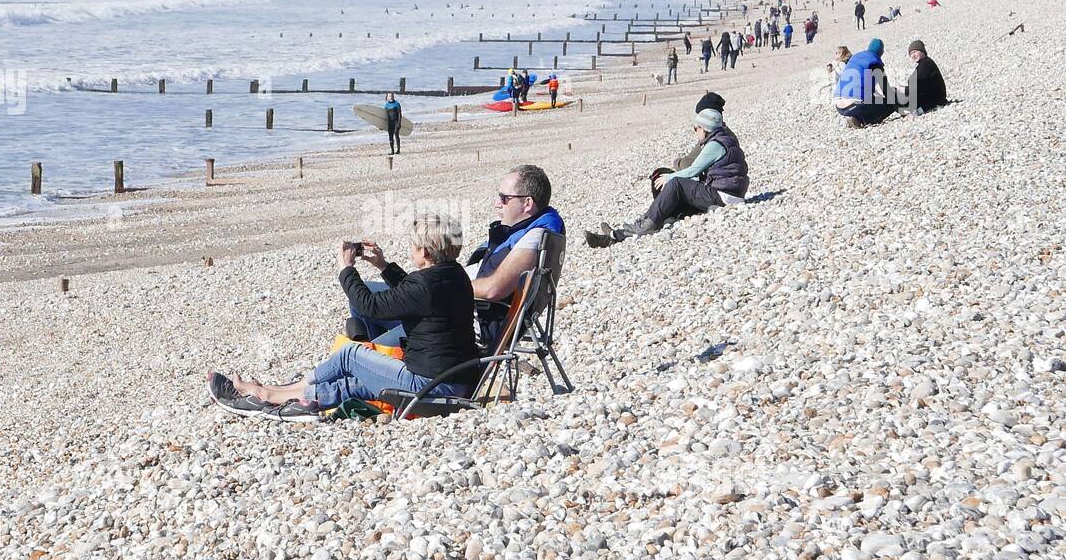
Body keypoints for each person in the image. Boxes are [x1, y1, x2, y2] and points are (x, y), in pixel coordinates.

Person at [208, 215, 480, 419]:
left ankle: (273, 390)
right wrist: (383, 266)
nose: (412, 250)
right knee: (351, 384)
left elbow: (369, 305)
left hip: (430, 386)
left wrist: (346, 268)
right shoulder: (453, 275)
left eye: (414, 245)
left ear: (426, 252)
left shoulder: (425, 285)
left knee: (349, 354)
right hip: (455, 381)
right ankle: (271, 394)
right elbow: (411, 293)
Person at [585, 106, 748, 244]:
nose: (696, 132)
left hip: (724, 196)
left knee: (676, 183)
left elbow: (693, 170)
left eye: (696, 128)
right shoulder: (725, 140)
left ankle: (645, 224)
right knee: (672, 211)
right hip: (727, 193)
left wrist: (668, 178)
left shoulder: (715, 145)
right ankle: (618, 235)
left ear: (704, 128)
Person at [465, 164, 565, 345]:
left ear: (527, 203)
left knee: (398, 326)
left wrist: (443, 287)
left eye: (504, 198)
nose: (497, 203)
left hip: (478, 322)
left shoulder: (536, 237)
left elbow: (493, 289)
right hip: (471, 311)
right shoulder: (527, 232)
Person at [834, 37, 895, 127]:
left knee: (868, 99)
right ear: (881, 52)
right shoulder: (874, 63)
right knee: (889, 103)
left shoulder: (855, 58)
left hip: (839, 105)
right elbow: (887, 90)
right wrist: (901, 109)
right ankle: (862, 120)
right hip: (855, 105)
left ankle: (853, 117)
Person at [904, 39, 947, 112]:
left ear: (922, 51)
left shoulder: (926, 64)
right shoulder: (923, 64)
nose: (913, 56)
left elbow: (917, 85)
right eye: (911, 54)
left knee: (894, 96)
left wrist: (903, 90)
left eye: (914, 52)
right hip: (932, 101)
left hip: (932, 103)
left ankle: (911, 114)